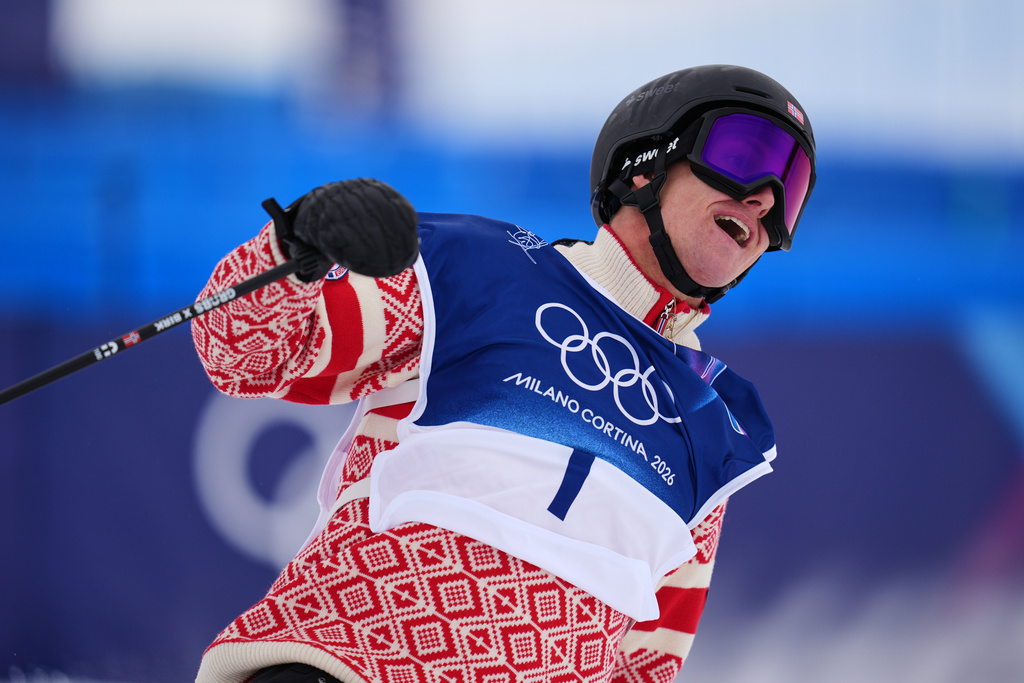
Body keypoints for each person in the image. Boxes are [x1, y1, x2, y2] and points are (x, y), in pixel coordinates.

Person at [191, 64, 816, 683]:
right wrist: (291, 247)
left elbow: (643, 665)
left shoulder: (718, 423)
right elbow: (244, 351)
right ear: (645, 164)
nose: (763, 196)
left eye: (789, 189)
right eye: (744, 153)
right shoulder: (475, 266)